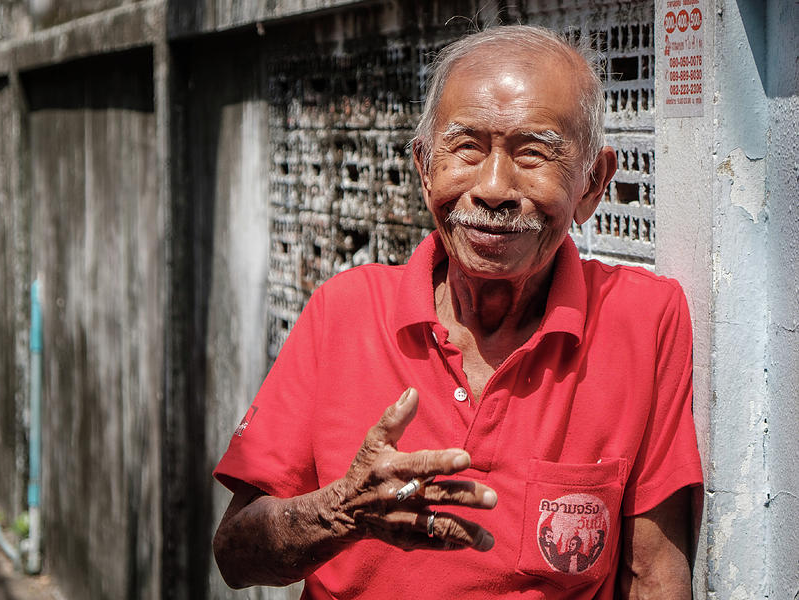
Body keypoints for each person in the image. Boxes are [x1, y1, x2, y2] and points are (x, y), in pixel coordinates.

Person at [213, 25, 703, 599]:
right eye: (466, 148)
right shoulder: (343, 312)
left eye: (533, 153)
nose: (494, 188)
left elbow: (655, 578)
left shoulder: (642, 321)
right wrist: (342, 512)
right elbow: (235, 554)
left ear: (593, 183)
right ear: (425, 168)